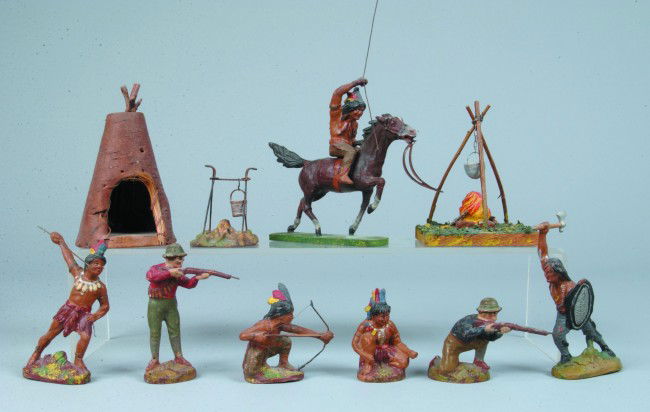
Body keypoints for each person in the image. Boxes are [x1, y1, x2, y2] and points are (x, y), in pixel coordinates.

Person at [26, 233, 109, 373]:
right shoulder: (78, 273)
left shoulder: (100, 287)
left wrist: (95, 316)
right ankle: (36, 353)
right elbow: (69, 258)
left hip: (84, 314)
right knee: (50, 334)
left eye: (102, 265)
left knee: (85, 336)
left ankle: (78, 359)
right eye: (96, 263)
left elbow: (105, 306)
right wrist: (61, 242)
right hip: (67, 310)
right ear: (87, 264)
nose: (99, 267)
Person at [537, 222, 615, 364]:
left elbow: (579, 304)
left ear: (558, 272)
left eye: (549, 273)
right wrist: (543, 234)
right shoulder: (552, 280)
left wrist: (579, 316)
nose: (546, 275)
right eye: (546, 272)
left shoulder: (570, 287)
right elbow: (543, 254)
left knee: (591, 332)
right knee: (557, 334)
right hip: (562, 315)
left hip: (575, 313)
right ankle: (566, 356)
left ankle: (605, 347)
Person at [239, 283, 333, 383]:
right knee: (256, 371)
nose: (292, 317)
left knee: (285, 341)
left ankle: (283, 364)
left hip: (268, 350)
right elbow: (242, 335)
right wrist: (256, 336)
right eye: (290, 315)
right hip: (256, 357)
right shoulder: (264, 325)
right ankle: (257, 372)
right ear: (281, 316)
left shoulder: (280, 324)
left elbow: (296, 329)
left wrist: (320, 335)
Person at [145, 243, 210, 372]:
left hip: (171, 305)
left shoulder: (179, 272)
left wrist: (197, 278)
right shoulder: (156, 268)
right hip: (155, 305)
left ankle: (179, 357)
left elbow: (188, 284)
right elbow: (151, 277)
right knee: (154, 333)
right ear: (168, 258)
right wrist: (170, 273)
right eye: (177, 258)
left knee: (175, 331)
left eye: (181, 258)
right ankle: (154, 359)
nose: (180, 261)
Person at [352, 288, 417, 382]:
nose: (386, 319)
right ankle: (368, 364)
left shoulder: (390, 325)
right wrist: (364, 355)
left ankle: (385, 364)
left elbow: (397, 342)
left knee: (404, 362)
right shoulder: (365, 325)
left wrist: (409, 352)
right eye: (382, 316)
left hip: (387, 351)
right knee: (367, 337)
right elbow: (354, 343)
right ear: (373, 316)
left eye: (387, 316)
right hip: (370, 354)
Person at [437, 297, 510, 374]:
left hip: (472, 343)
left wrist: (500, 332)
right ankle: (436, 362)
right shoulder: (468, 319)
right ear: (481, 312)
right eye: (490, 313)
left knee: (484, 339)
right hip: (455, 344)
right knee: (447, 370)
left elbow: (490, 338)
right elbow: (466, 333)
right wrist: (484, 329)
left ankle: (479, 361)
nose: (493, 316)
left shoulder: (489, 323)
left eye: (495, 313)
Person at [329, 77, 368, 186]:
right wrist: (355, 83)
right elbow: (337, 94)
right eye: (358, 110)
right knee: (351, 151)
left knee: (362, 152)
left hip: (347, 146)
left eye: (362, 111)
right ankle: (343, 175)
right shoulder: (337, 115)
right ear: (350, 108)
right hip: (336, 145)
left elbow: (352, 140)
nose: (360, 113)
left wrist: (361, 142)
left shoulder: (355, 124)